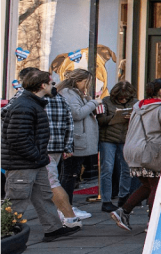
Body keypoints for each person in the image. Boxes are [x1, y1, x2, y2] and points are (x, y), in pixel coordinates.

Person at [2, 69, 80, 241]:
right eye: (51, 83)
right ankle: (5, 235)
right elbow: (17, 138)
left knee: (44, 195)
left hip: (34, 161)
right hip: (23, 164)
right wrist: (37, 156)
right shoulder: (24, 105)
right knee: (17, 200)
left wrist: (39, 158)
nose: (54, 86)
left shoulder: (32, 103)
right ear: (42, 85)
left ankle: (53, 229)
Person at [111, 79, 161, 232]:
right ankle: (152, 223)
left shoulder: (137, 106)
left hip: (132, 149)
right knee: (156, 186)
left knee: (147, 185)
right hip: (151, 151)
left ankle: (123, 211)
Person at [57, 69, 101, 200]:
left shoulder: (73, 93)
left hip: (77, 138)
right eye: (86, 82)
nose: (87, 85)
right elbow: (77, 113)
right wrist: (93, 103)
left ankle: (67, 207)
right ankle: (66, 207)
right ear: (78, 81)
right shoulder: (69, 93)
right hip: (76, 140)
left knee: (72, 174)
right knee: (69, 174)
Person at [97, 81, 138, 213]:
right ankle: (106, 200)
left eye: (126, 97)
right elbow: (100, 120)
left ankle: (123, 197)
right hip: (108, 139)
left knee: (127, 169)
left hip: (126, 138)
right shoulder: (106, 101)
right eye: (120, 97)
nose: (123, 99)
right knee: (107, 170)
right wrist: (114, 117)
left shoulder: (135, 102)